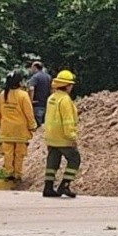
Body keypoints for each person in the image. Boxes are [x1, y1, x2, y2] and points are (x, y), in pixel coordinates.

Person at [0, 70, 38, 185]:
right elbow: (29, 113)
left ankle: (9, 174)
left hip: (6, 130)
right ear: (19, 82)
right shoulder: (23, 95)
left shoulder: (3, 95)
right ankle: (17, 174)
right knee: (19, 154)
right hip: (20, 131)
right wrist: (32, 126)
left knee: (8, 153)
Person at [44, 70, 81, 198]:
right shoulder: (65, 100)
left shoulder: (51, 98)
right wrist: (72, 137)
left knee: (52, 161)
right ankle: (64, 185)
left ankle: (48, 187)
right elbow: (68, 121)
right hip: (63, 137)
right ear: (68, 85)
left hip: (51, 136)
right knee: (75, 158)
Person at [27, 61, 53, 128]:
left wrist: (30, 100)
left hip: (37, 105)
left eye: (32, 67)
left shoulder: (35, 77)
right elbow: (52, 89)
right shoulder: (48, 77)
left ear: (35, 67)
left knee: (37, 127)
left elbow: (31, 89)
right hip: (46, 104)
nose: (31, 69)